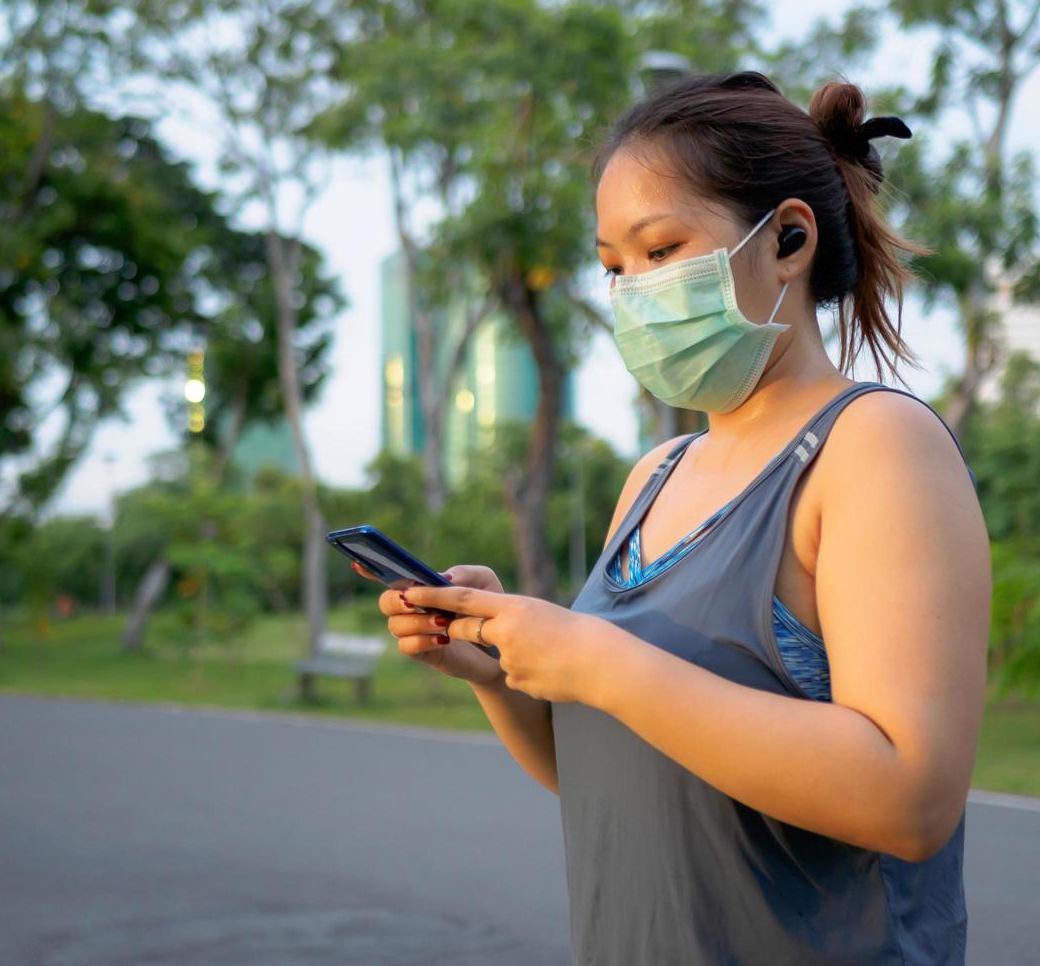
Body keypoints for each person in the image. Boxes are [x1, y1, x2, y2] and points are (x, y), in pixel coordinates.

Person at [362, 72, 990, 965]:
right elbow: (621, 774)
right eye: (613, 266)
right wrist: (501, 675)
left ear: (788, 239)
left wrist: (599, 660)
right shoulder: (655, 476)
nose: (631, 292)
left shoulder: (876, 446)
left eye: (661, 251)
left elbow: (910, 799)